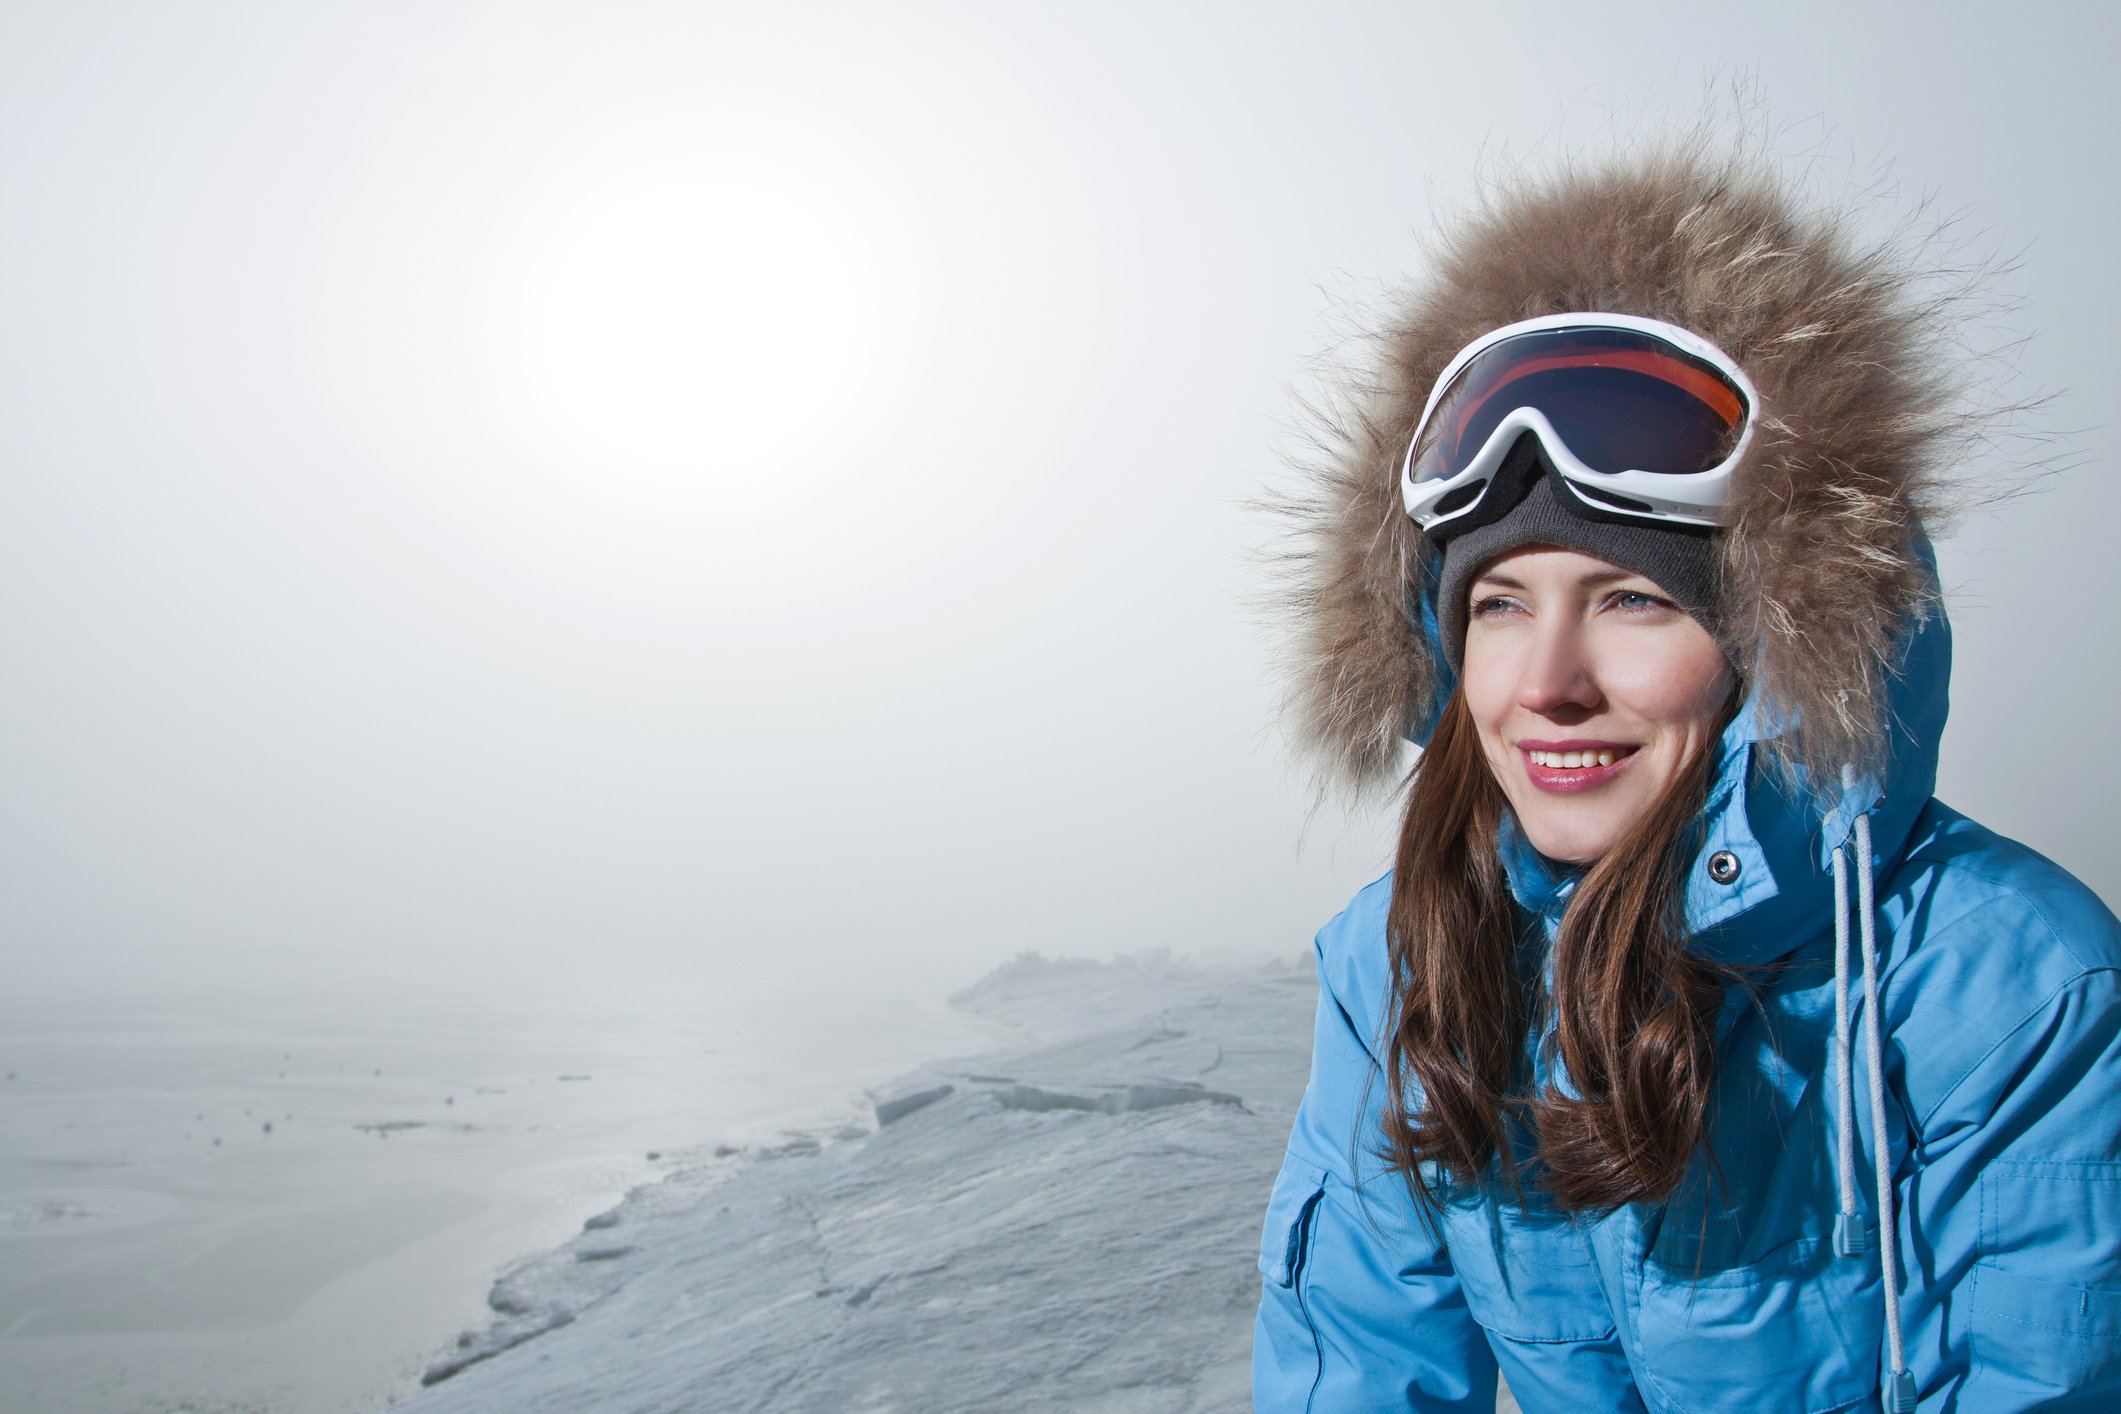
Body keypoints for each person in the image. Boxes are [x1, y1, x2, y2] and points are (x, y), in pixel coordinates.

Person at [1253, 145, 2121, 1412]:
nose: (1546, 680)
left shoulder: (2007, 993)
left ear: (1769, 649)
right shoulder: (1397, 963)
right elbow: (1357, 1363)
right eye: (1498, 604)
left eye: (1635, 599)